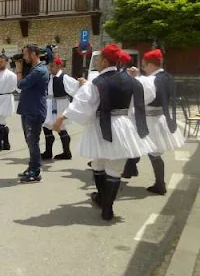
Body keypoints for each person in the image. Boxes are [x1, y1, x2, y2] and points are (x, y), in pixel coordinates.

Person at [54, 44, 156, 221]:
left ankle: (102, 199)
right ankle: (107, 208)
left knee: (99, 163)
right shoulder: (131, 81)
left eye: (99, 59)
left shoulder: (97, 82)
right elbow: (146, 96)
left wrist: (63, 117)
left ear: (103, 60)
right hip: (123, 125)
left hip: (101, 125)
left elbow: (83, 104)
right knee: (115, 169)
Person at [130, 49, 185, 195]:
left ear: (150, 65)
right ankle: (132, 169)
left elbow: (142, 97)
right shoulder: (167, 77)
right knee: (147, 149)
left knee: (147, 149)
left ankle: (159, 184)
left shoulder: (152, 80)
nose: (143, 68)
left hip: (150, 119)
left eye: (144, 65)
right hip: (161, 117)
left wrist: (133, 79)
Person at [15, 44, 50, 183]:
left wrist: (18, 71)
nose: (23, 57)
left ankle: (35, 172)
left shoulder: (40, 71)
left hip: (34, 111)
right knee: (30, 141)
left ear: (33, 54)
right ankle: (32, 166)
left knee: (33, 141)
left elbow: (21, 84)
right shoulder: (35, 69)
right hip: (29, 109)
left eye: (25, 54)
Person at [40, 57, 80, 160]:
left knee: (61, 128)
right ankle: (48, 152)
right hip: (49, 104)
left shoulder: (64, 77)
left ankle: (67, 152)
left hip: (60, 105)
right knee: (46, 127)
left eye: (52, 66)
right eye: (50, 66)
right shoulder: (50, 77)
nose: (50, 68)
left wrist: (81, 84)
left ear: (59, 66)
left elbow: (75, 87)